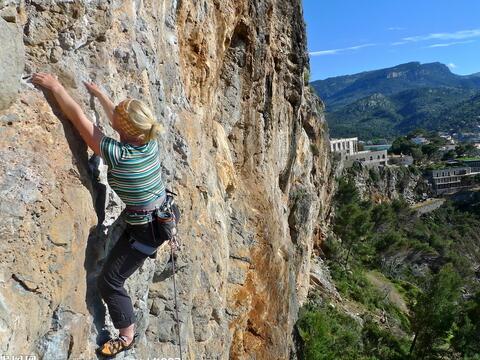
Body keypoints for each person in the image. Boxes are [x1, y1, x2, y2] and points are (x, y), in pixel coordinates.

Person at [32, 73, 171, 357]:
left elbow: (80, 120)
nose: (113, 117)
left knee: (110, 281)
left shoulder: (118, 154)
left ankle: (126, 336)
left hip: (146, 229)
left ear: (126, 128)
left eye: (118, 115)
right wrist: (100, 95)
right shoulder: (149, 141)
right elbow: (118, 123)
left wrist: (56, 86)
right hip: (162, 212)